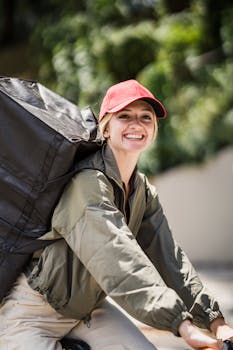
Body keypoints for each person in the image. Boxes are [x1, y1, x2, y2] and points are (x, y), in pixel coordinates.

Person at [0, 79, 232, 350]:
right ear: (106, 127)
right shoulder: (87, 184)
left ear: (154, 130)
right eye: (125, 116)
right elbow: (117, 257)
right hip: (31, 313)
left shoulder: (142, 191)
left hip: (87, 310)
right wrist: (182, 325)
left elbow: (171, 261)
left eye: (146, 117)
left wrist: (216, 321)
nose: (137, 124)